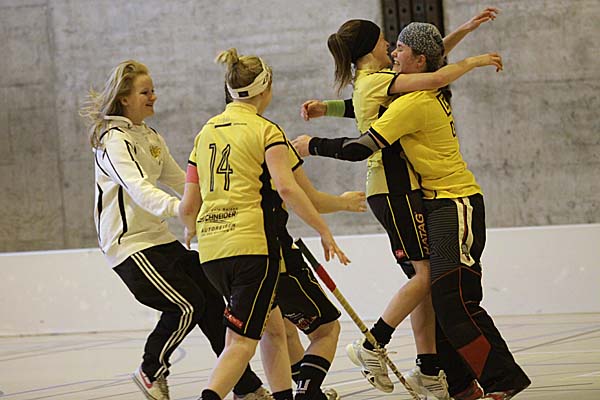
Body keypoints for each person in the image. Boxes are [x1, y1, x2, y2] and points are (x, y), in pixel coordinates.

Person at [293, 21, 531, 400]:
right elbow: (421, 67)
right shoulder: (404, 89)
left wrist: (312, 143)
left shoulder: (412, 99)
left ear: (418, 61)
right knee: (437, 293)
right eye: (389, 44)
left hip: (453, 201)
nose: (392, 50)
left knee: (450, 297)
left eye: (400, 49)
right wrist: (469, 45)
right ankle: (447, 376)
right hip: (425, 199)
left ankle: (484, 378)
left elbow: (363, 137)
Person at [80, 60, 271, 400]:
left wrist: (210, 203)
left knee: (210, 299)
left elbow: (180, 180)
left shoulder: (150, 136)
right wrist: (180, 210)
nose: (153, 96)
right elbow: (138, 188)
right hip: (128, 245)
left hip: (158, 239)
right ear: (124, 98)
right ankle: (150, 370)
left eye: (153, 90)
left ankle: (245, 388)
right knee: (186, 305)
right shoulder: (113, 141)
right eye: (145, 92)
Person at [178, 49, 349, 400]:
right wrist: (323, 229)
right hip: (252, 249)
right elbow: (287, 188)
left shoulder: (204, 134)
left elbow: (188, 206)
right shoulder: (266, 130)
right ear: (266, 88)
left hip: (211, 252)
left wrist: (190, 229)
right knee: (241, 344)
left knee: (273, 330)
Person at [225, 85, 366, 400]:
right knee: (326, 329)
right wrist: (342, 204)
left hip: (228, 253)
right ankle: (307, 392)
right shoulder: (269, 136)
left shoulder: (213, 138)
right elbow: (303, 195)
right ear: (264, 91)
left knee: (280, 331)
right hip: (272, 251)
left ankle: (299, 393)